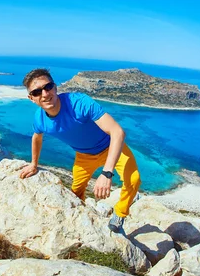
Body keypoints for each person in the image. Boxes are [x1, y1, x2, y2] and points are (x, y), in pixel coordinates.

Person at [19, 68, 141, 233]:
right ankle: (83, 218)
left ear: (55, 88)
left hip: (110, 147)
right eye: (36, 91)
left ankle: (120, 212)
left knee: (133, 180)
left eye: (48, 87)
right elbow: (37, 137)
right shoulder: (40, 118)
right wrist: (33, 164)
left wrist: (107, 173)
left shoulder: (79, 103)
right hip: (84, 156)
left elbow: (118, 132)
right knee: (76, 191)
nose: (44, 94)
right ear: (31, 98)